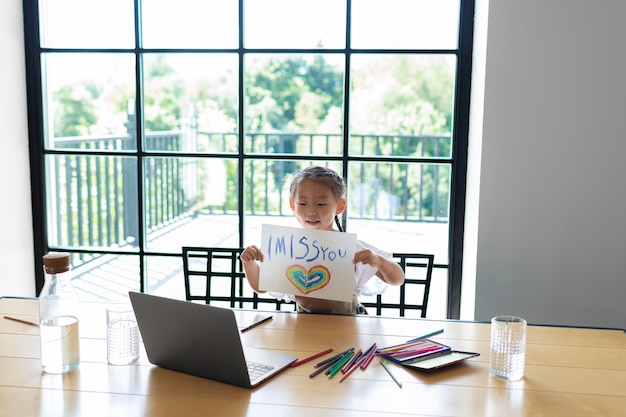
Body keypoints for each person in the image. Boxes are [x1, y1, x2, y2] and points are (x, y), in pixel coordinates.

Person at [240, 165, 405, 315]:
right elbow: (260, 287)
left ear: (339, 206)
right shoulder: (286, 248)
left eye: (320, 204)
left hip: (349, 325)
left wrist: (379, 262)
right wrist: (249, 263)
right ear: (292, 204)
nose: (311, 211)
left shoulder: (350, 249)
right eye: (302, 203)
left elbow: (397, 279)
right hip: (304, 327)